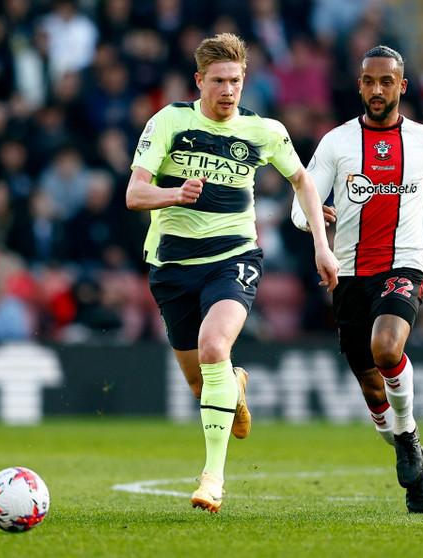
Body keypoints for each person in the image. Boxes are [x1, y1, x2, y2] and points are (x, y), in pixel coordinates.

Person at [126, 33, 339, 513]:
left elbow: (302, 178)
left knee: (214, 347)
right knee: (203, 385)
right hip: (172, 267)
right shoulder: (169, 122)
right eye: (218, 81)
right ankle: (235, 386)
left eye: (236, 81)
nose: (228, 91)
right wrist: (173, 194)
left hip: (234, 257)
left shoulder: (264, 130)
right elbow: (135, 194)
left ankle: (213, 478)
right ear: (199, 81)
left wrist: (321, 247)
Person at [291, 45, 423, 514]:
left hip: (404, 264)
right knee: (372, 390)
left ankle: (407, 445)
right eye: (370, 81)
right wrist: (311, 219)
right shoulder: (336, 143)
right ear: (360, 85)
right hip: (347, 274)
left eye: (388, 81)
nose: (379, 89)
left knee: (388, 349)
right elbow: (301, 200)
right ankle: (412, 447)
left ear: (402, 86)